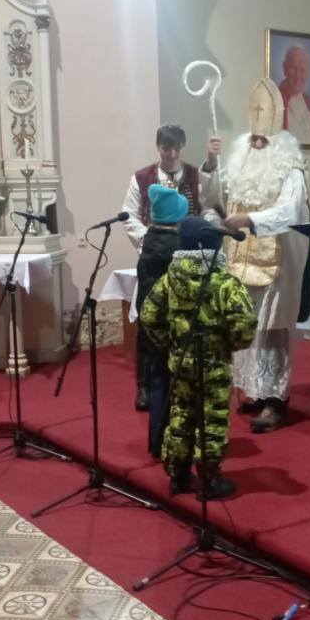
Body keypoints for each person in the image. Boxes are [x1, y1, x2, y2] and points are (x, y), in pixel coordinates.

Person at [201, 78, 310, 432]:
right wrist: (211, 162)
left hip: (278, 266)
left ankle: (276, 401)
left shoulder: (291, 169)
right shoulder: (239, 164)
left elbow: (290, 212)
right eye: (254, 139)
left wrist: (250, 219)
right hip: (241, 260)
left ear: (277, 141)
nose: (257, 144)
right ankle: (257, 392)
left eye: (263, 140)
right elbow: (213, 199)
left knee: (272, 331)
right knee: (247, 329)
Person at [140, 216, 258, 499]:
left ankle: (178, 476)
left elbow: (149, 315)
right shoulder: (225, 284)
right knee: (212, 419)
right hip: (214, 366)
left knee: (181, 414)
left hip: (181, 364)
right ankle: (209, 480)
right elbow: (245, 323)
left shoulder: (169, 279)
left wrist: (169, 344)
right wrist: (230, 345)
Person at [121, 123, 203, 410]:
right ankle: (145, 385)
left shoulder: (195, 176)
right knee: (149, 321)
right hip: (154, 258)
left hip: (187, 258)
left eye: (177, 148)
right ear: (158, 147)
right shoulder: (141, 178)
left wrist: (192, 239)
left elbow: (208, 211)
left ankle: (182, 381)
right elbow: (129, 215)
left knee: (185, 321)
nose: (172, 154)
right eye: (167, 148)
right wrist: (153, 239)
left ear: (183, 147)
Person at [135, 184, 188, 459]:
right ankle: (174, 443)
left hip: (151, 323)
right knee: (174, 386)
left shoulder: (149, 241)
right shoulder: (176, 248)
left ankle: (156, 442)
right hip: (171, 325)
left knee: (158, 381)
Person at [278, 44, 310, 145]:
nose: (298, 76)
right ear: (284, 68)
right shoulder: (276, 101)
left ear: (308, 73)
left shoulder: (309, 103)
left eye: (302, 70)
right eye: (293, 68)